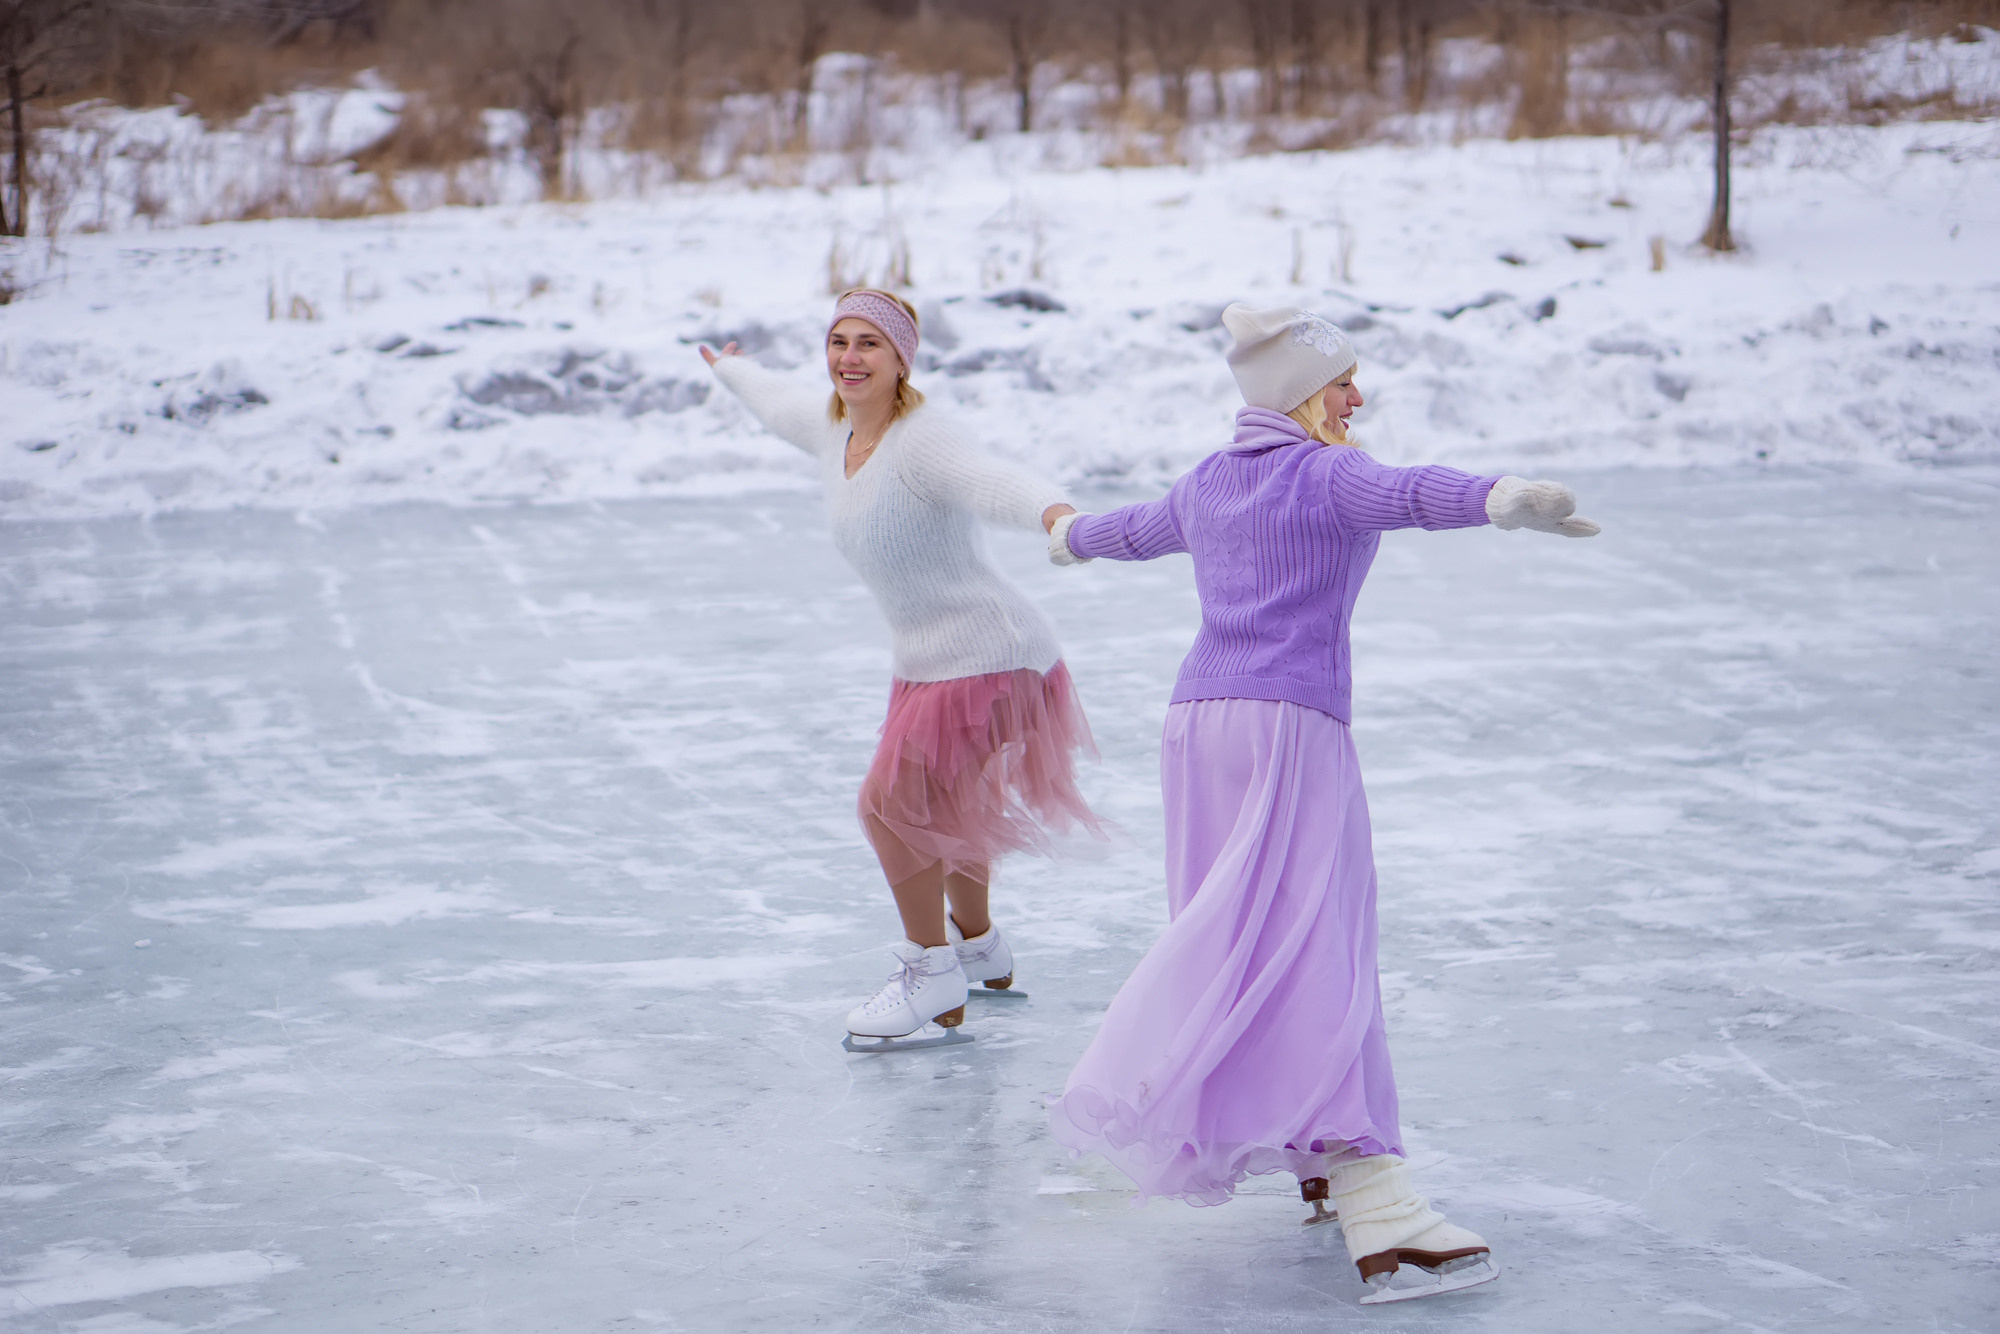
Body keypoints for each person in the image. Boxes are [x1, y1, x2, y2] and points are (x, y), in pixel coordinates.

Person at [1043, 303, 1600, 1304]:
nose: (1356, 394)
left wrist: (1069, 535)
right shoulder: (1325, 470)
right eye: (1342, 377)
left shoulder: (1210, 479)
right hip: (1288, 726)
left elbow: (1129, 530)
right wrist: (1505, 496)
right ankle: (1377, 1200)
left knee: (1246, 942)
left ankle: (1309, 1149)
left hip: (1197, 725)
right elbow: (1412, 491)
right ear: (1298, 388)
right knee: (1318, 946)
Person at [700, 289, 1102, 1048]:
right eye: (838, 342)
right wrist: (732, 372)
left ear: (900, 362)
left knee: (888, 804)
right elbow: (779, 400)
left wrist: (1055, 513)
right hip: (926, 658)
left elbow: (993, 479)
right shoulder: (835, 429)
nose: (848, 358)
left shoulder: (923, 439)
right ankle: (980, 947)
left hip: (993, 652)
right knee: (944, 804)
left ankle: (932, 969)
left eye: (868, 345)